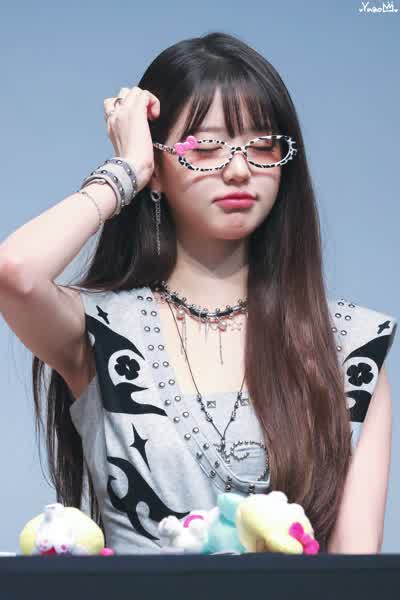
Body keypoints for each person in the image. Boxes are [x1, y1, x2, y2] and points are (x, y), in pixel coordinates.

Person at [0, 31, 397, 556]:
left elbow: (354, 571)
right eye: (204, 148)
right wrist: (128, 169)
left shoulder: (349, 347)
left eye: (263, 146)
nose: (239, 170)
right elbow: (15, 272)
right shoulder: (100, 330)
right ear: (158, 168)